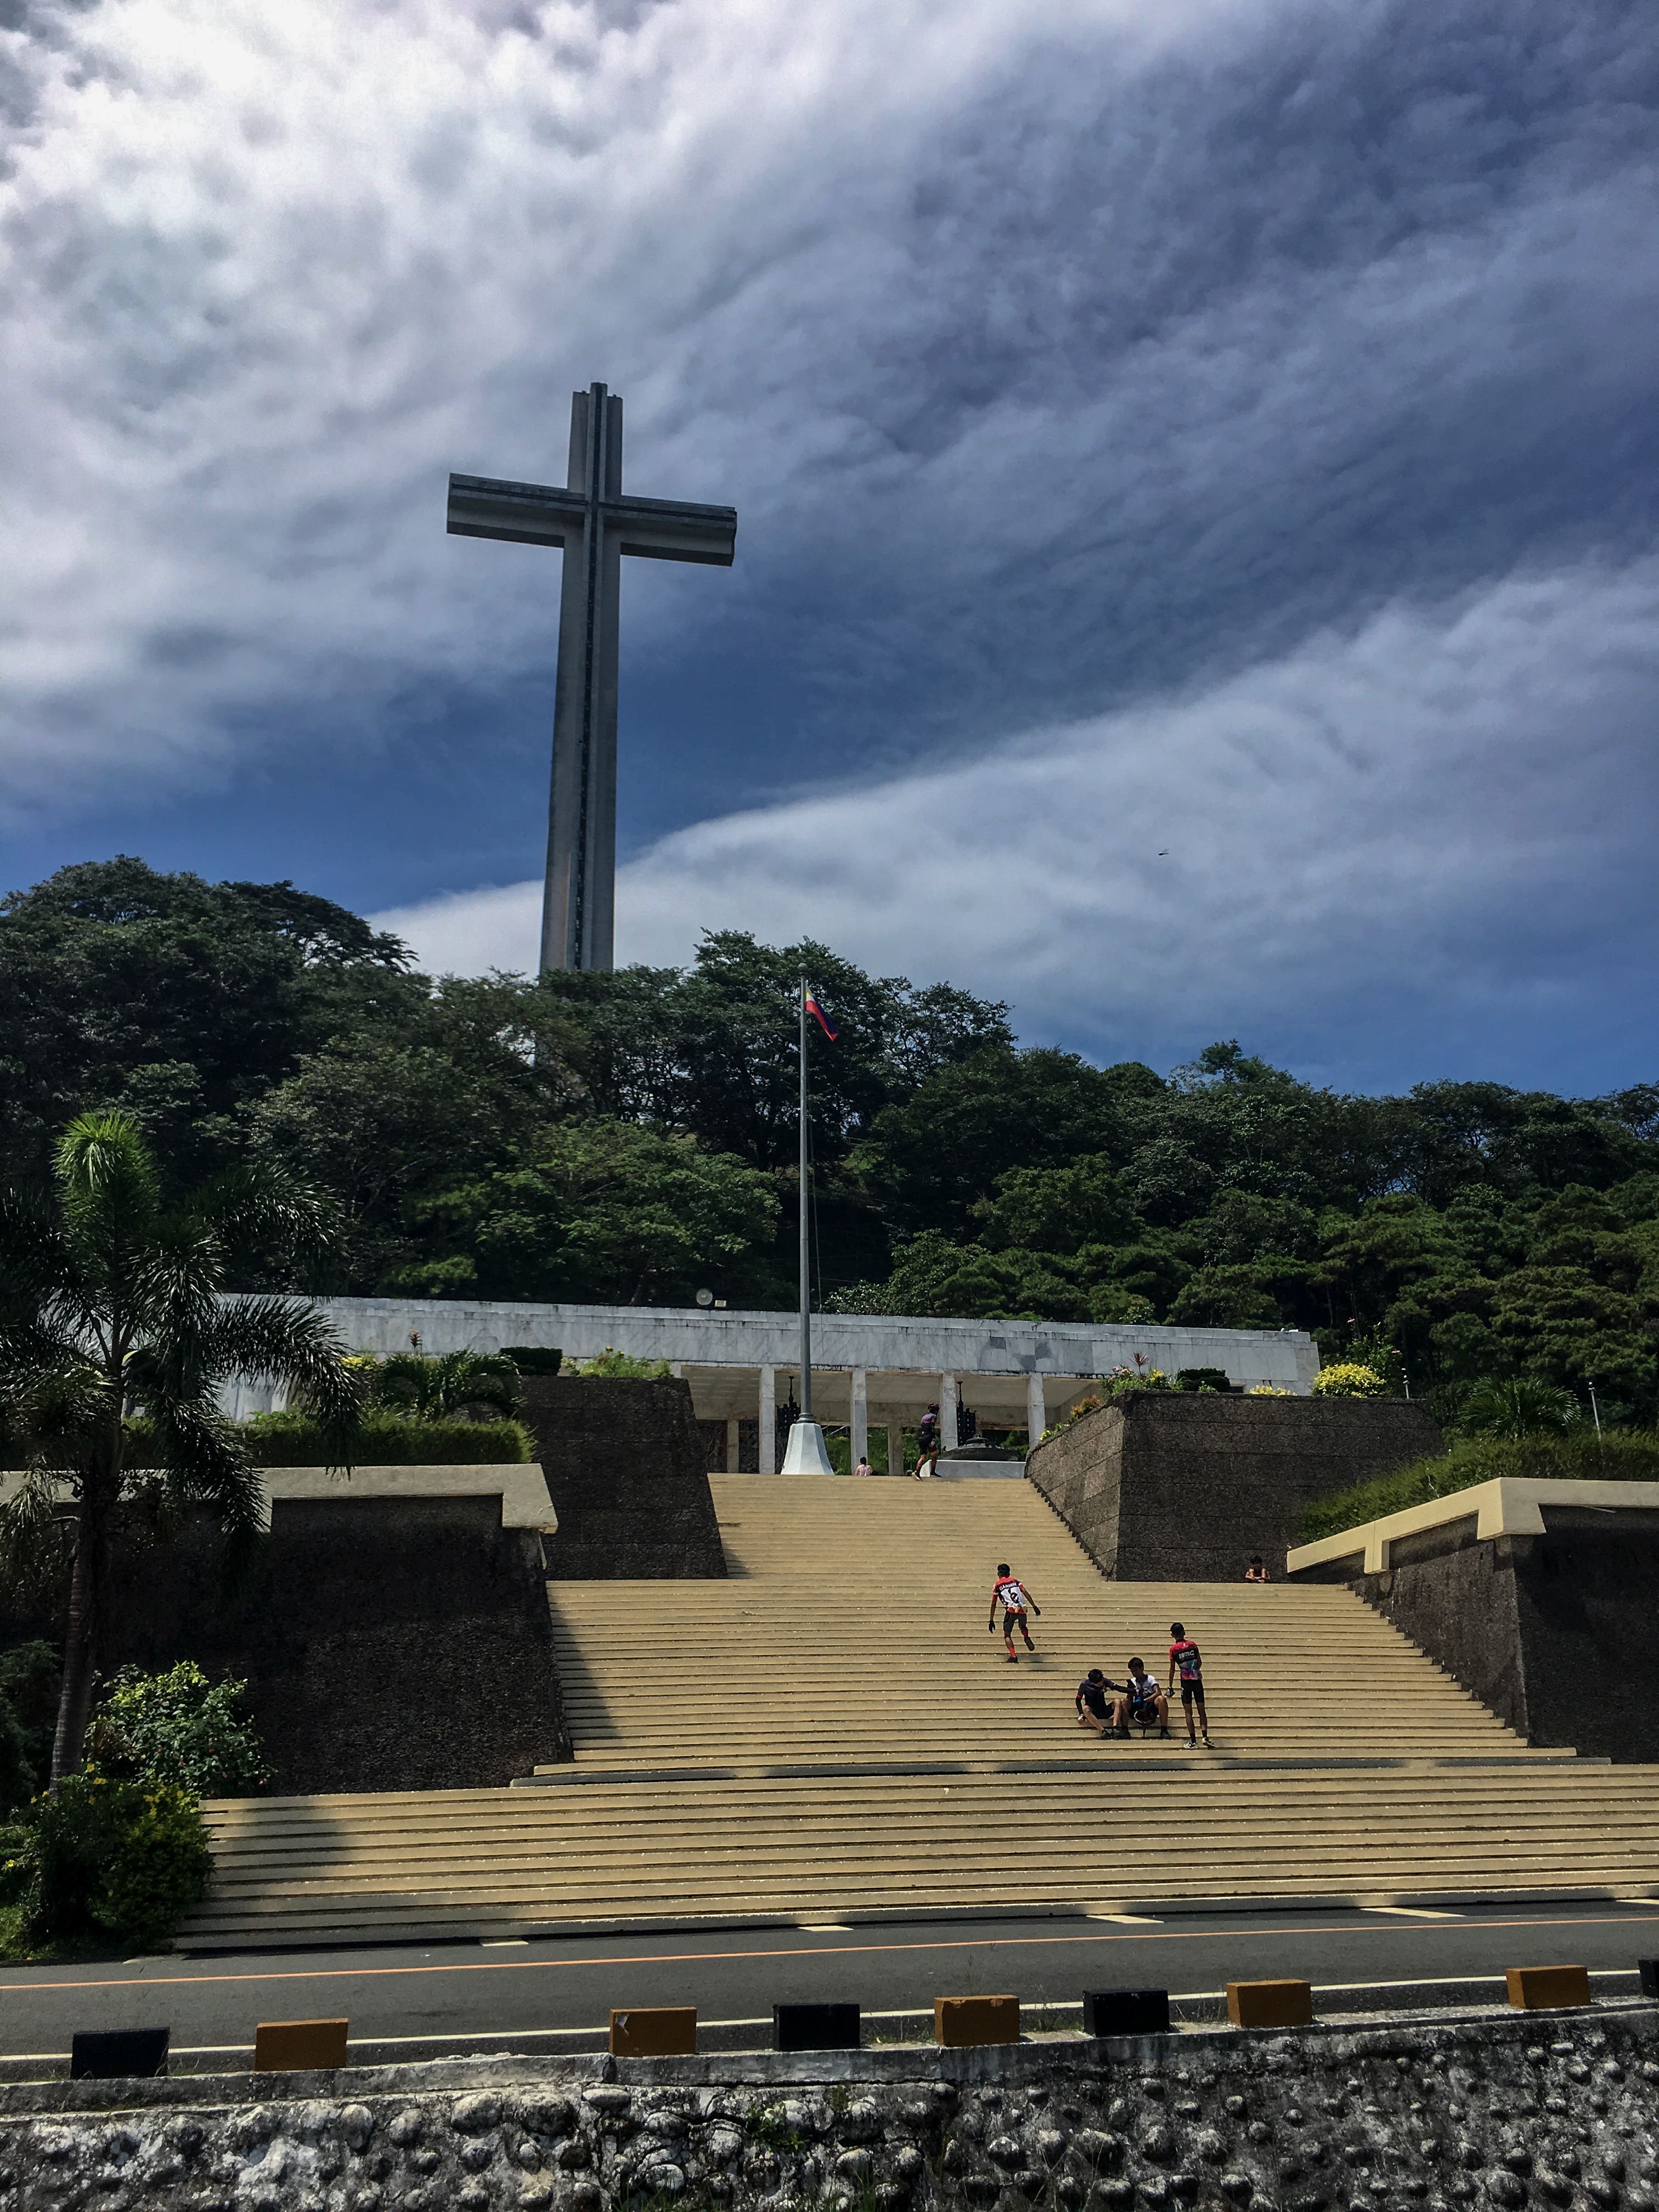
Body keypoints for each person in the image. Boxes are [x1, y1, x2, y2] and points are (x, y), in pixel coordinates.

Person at [1167, 1621, 1210, 1746]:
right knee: (1202, 1710)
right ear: (1184, 1632)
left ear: (1172, 1635)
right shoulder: (1193, 1645)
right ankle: (1205, 1737)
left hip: (1185, 1682)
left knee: (1188, 1712)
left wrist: (1170, 1686)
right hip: (1197, 1679)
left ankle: (1193, 1741)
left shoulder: (1174, 1650)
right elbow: (1199, 1662)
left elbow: (1172, 1669)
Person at [989, 1562, 1040, 1662]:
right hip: (1022, 1608)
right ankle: (1026, 1637)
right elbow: (1025, 1592)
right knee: (1023, 1626)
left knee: (1007, 1635)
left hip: (1011, 1610)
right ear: (1009, 1573)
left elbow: (994, 1603)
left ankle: (1013, 1656)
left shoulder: (997, 1585)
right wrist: (1035, 1607)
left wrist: (991, 1620)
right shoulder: (1015, 1581)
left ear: (999, 1574)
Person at [1110, 1657, 1171, 1739]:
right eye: (1132, 1672)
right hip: (1137, 1706)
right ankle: (1125, 1730)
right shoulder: (1132, 1682)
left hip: (1150, 1706)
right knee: (1124, 1701)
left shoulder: (1150, 1679)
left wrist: (1147, 1700)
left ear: (1142, 1668)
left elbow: (1158, 1692)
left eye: (1136, 1671)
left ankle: (1164, 1730)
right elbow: (1129, 1699)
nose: (1134, 1673)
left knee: (1161, 1699)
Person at [1075, 1667, 1112, 1737]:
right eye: (1098, 1683)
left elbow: (1118, 1688)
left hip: (1103, 1709)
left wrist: (1134, 1691)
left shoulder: (1104, 1681)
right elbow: (1078, 1699)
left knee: (1118, 1702)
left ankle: (1116, 1728)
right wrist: (1081, 1714)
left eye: (1101, 1681)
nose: (1101, 1684)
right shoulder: (1084, 1685)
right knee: (1086, 1709)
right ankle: (1103, 1731)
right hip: (1092, 1711)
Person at [917, 1404, 940, 1477]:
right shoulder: (933, 1416)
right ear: (936, 1411)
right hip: (928, 1437)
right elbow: (932, 1427)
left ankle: (917, 1473)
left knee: (923, 1457)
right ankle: (933, 1472)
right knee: (934, 1454)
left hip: (921, 1437)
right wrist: (933, 1439)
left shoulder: (924, 1417)